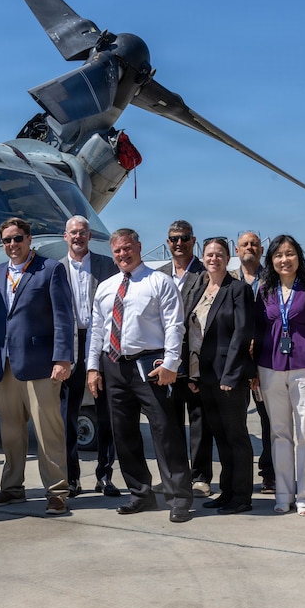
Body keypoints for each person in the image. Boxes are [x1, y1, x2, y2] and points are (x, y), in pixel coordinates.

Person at [87, 228, 194, 523]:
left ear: (139, 247)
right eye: (118, 250)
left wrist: (172, 363)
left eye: (127, 248)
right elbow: (98, 330)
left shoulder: (159, 281)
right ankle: (140, 493)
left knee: (165, 431)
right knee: (123, 432)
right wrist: (92, 367)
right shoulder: (106, 287)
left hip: (150, 364)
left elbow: (175, 325)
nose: (123, 254)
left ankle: (179, 497)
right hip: (114, 364)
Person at [0, 217, 75, 516]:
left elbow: (63, 317)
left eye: (18, 238)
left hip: (40, 364)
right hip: (4, 365)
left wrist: (63, 358)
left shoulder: (50, 269)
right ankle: (12, 488)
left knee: (48, 431)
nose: (13, 244)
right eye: (7, 240)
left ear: (29, 239)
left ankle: (57, 491)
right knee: (10, 432)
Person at [252, 234, 305, 517]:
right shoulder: (265, 292)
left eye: (290, 254)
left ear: (299, 257)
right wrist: (254, 370)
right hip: (270, 369)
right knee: (279, 434)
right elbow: (258, 332)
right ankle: (283, 495)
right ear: (271, 261)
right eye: (278, 255)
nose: (284, 260)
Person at [184, 238, 258, 515]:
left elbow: (242, 333)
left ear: (229, 259)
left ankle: (242, 496)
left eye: (219, 254)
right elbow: (191, 334)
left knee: (236, 436)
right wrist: (191, 374)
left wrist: (231, 374)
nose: (213, 258)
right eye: (209, 254)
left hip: (229, 378)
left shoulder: (237, 289)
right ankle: (227, 492)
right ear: (202, 258)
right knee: (220, 437)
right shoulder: (201, 289)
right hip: (205, 377)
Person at [60, 215, 120, 498]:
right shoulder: (55, 269)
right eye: (73, 233)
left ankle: (105, 475)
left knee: (105, 412)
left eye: (83, 232)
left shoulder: (107, 265)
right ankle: (72, 478)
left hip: (100, 343)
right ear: (66, 236)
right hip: (69, 344)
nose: (78, 237)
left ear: (89, 236)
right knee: (67, 415)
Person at [158, 220, 211, 497]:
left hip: (195, 361)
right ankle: (176, 476)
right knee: (170, 422)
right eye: (174, 239)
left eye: (184, 238)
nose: (179, 243)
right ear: (167, 242)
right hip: (167, 362)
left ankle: (200, 476)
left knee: (199, 420)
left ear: (193, 241)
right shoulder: (160, 274)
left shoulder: (205, 274)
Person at [230, 231, 275, 493]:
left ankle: (269, 473)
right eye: (245, 244)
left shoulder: (272, 279)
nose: (250, 247)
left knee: (269, 420)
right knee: (235, 420)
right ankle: (239, 476)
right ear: (237, 251)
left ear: (261, 250)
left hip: (264, 359)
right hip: (236, 361)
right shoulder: (228, 279)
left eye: (254, 244)